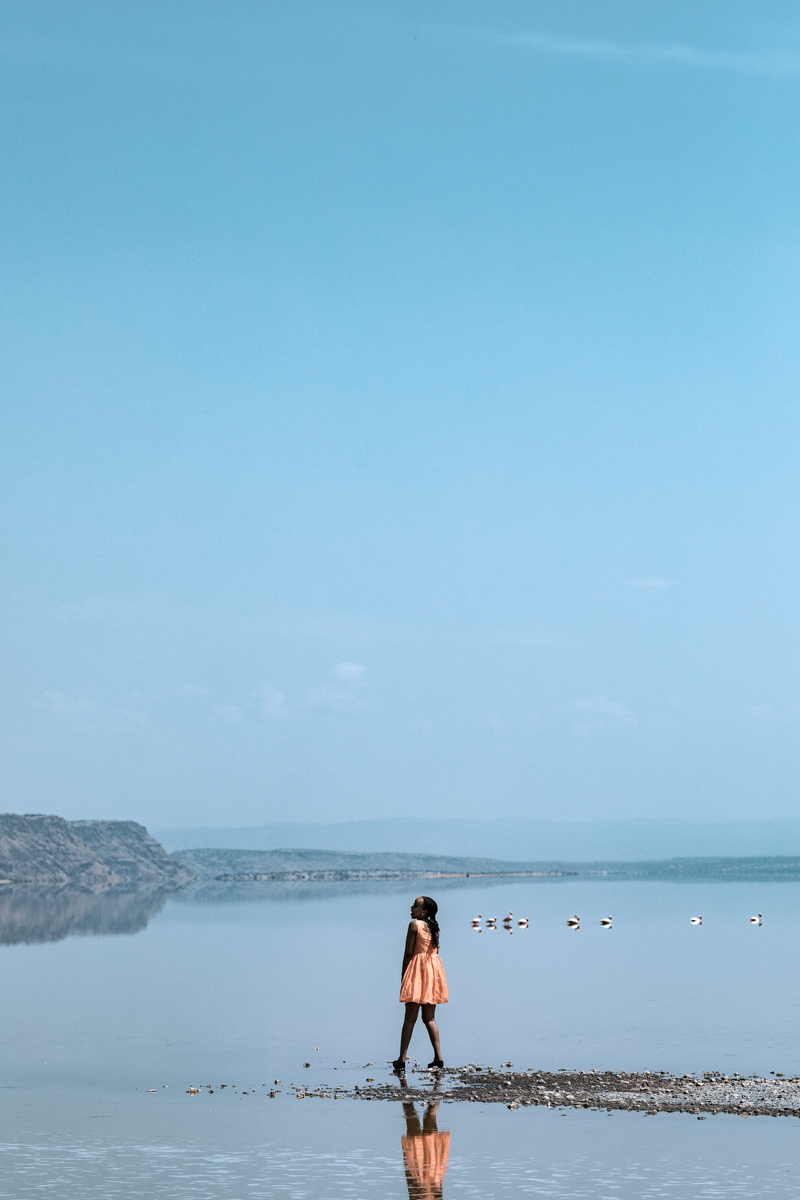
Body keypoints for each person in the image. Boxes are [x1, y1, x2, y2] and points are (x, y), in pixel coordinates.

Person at [393, 896, 448, 1070]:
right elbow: (435, 950)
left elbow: (409, 952)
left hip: (417, 969)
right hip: (434, 970)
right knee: (429, 1018)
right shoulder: (435, 928)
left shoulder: (414, 925)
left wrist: (404, 974)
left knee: (410, 1019)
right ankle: (438, 1057)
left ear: (424, 911)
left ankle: (401, 1059)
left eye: (415, 905)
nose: (411, 907)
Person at [401, 1086, 450, 1200]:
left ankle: (437, 1081)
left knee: (428, 1118)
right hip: (424, 1174)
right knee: (415, 1117)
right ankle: (404, 1082)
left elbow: (438, 1194)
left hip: (430, 1174)